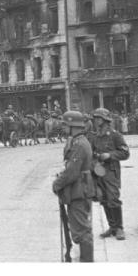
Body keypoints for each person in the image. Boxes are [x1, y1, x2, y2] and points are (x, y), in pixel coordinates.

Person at [52, 110, 95, 262]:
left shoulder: (80, 144)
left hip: (79, 190)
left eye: (65, 125)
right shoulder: (77, 141)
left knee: (82, 231)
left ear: (72, 126)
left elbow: (72, 172)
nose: (63, 128)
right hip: (78, 189)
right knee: (80, 229)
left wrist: (57, 184)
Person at [89, 107, 130, 241]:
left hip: (111, 171)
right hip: (98, 171)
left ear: (105, 120)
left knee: (113, 199)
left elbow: (125, 153)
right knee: (103, 199)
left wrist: (110, 155)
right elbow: (91, 153)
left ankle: (119, 228)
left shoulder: (115, 135)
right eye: (95, 118)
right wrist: (94, 162)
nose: (96, 121)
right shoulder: (94, 136)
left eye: (98, 118)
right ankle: (112, 227)